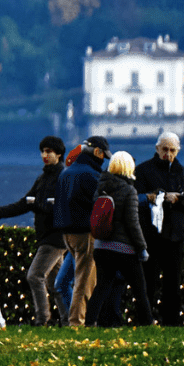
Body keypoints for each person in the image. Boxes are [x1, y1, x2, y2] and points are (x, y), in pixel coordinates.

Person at [0, 135, 67, 325]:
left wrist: (41, 205)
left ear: (59, 154)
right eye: (42, 151)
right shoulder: (42, 178)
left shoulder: (63, 178)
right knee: (55, 284)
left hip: (55, 238)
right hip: (47, 237)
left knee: (34, 276)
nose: (44, 155)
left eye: (48, 152)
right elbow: (23, 204)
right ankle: (69, 320)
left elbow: (62, 208)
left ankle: (42, 319)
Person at [135, 131, 184, 326]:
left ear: (177, 151)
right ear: (157, 149)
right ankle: (144, 322)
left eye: (172, 150)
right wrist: (154, 197)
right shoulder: (144, 170)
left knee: (173, 285)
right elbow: (135, 200)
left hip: (176, 235)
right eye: (165, 149)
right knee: (149, 283)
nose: (168, 154)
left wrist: (183, 201)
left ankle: (172, 322)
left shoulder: (183, 172)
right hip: (152, 236)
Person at [87, 151, 154, 327]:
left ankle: (90, 321)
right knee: (140, 289)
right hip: (123, 249)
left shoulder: (101, 188)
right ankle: (147, 323)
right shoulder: (129, 190)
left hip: (101, 246)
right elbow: (132, 223)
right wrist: (141, 248)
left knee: (101, 287)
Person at [52, 134, 109, 327]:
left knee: (68, 280)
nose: (104, 160)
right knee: (84, 281)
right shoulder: (93, 175)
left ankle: (75, 320)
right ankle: (77, 323)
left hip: (67, 234)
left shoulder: (66, 172)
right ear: (97, 152)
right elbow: (99, 205)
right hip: (86, 233)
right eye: (103, 155)